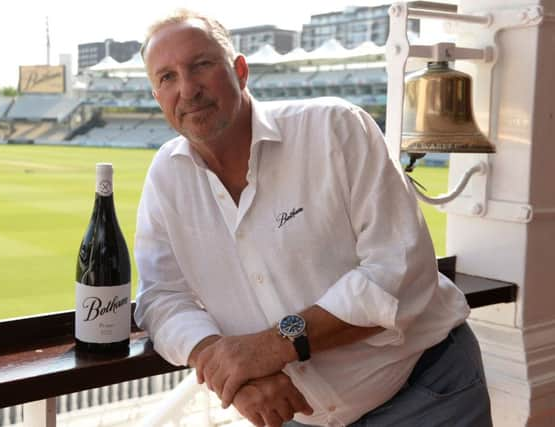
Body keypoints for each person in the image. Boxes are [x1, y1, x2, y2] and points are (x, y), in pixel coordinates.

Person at [134, 9, 492, 427]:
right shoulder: (166, 177)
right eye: (167, 77)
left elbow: (398, 270)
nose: (188, 88)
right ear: (158, 98)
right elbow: (161, 297)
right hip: (298, 416)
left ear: (240, 71)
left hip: (428, 396)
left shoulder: (334, 128)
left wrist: (275, 345)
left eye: (201, 65)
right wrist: (227, 367)